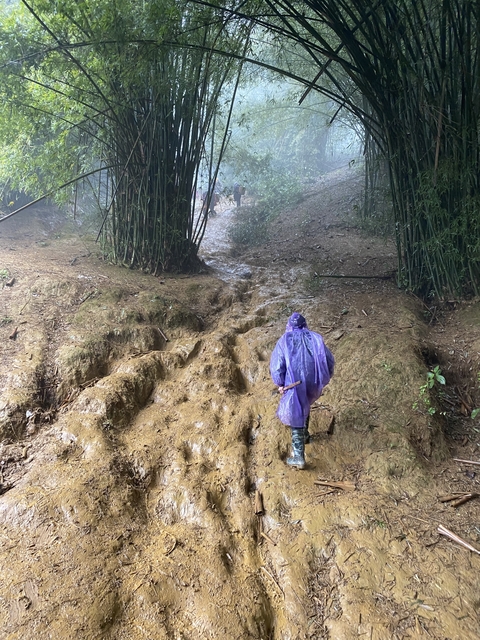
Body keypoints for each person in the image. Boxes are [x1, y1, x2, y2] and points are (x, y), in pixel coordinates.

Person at [270, 312, 334, 470]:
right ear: (305, 324)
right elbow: (328, 360)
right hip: (313, 380)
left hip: (293, 382)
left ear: (289, 326)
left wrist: (280, 383)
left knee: (296, 410)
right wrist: (322, 378)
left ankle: (298, 456)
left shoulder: (285, 340)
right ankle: (305, 435)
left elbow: (277, 367)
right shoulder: (315, 338)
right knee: (305, 403)